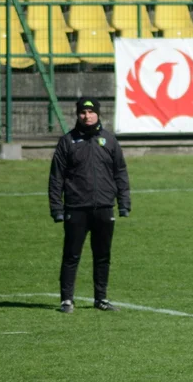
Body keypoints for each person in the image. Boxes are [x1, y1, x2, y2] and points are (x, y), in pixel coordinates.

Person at [48, 97, 131, 313]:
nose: (87, 116)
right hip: (76, 209)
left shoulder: (109, 140)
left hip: (104, 207)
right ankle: (67, 300)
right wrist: (57, 208)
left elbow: (120, 172)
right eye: (83, 113)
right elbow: (56, 177)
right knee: (71, 255)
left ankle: (101, 299)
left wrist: (124, 203)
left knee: (103, 255)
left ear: (98, 114)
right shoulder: (67, 142)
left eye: (91, 112)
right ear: (77, 115)